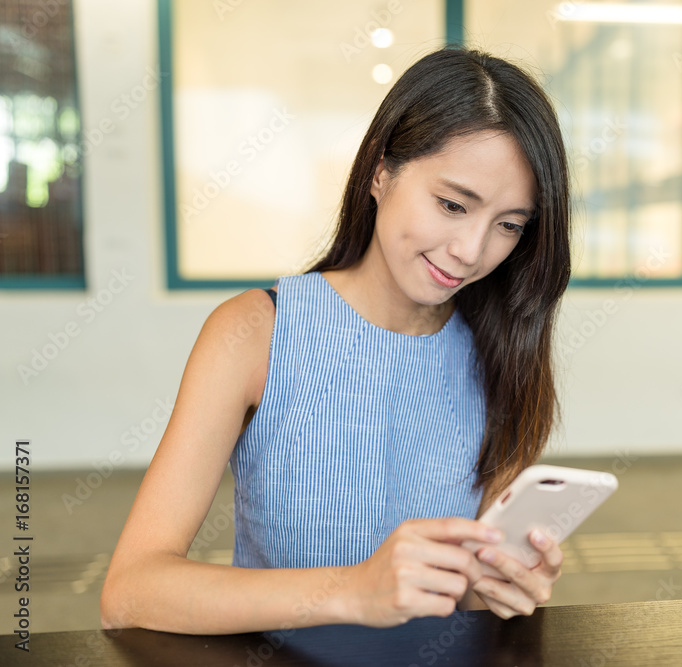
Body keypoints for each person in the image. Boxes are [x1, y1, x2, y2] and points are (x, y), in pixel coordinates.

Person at [100, 46, 572, 635]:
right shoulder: (254, 334)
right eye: (452, 204)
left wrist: (497, 583)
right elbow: (131, 590)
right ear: (380, 170)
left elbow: (464, 607)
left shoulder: (499, 350)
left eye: (509, 225)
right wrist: (351, 591)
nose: (472, 251)